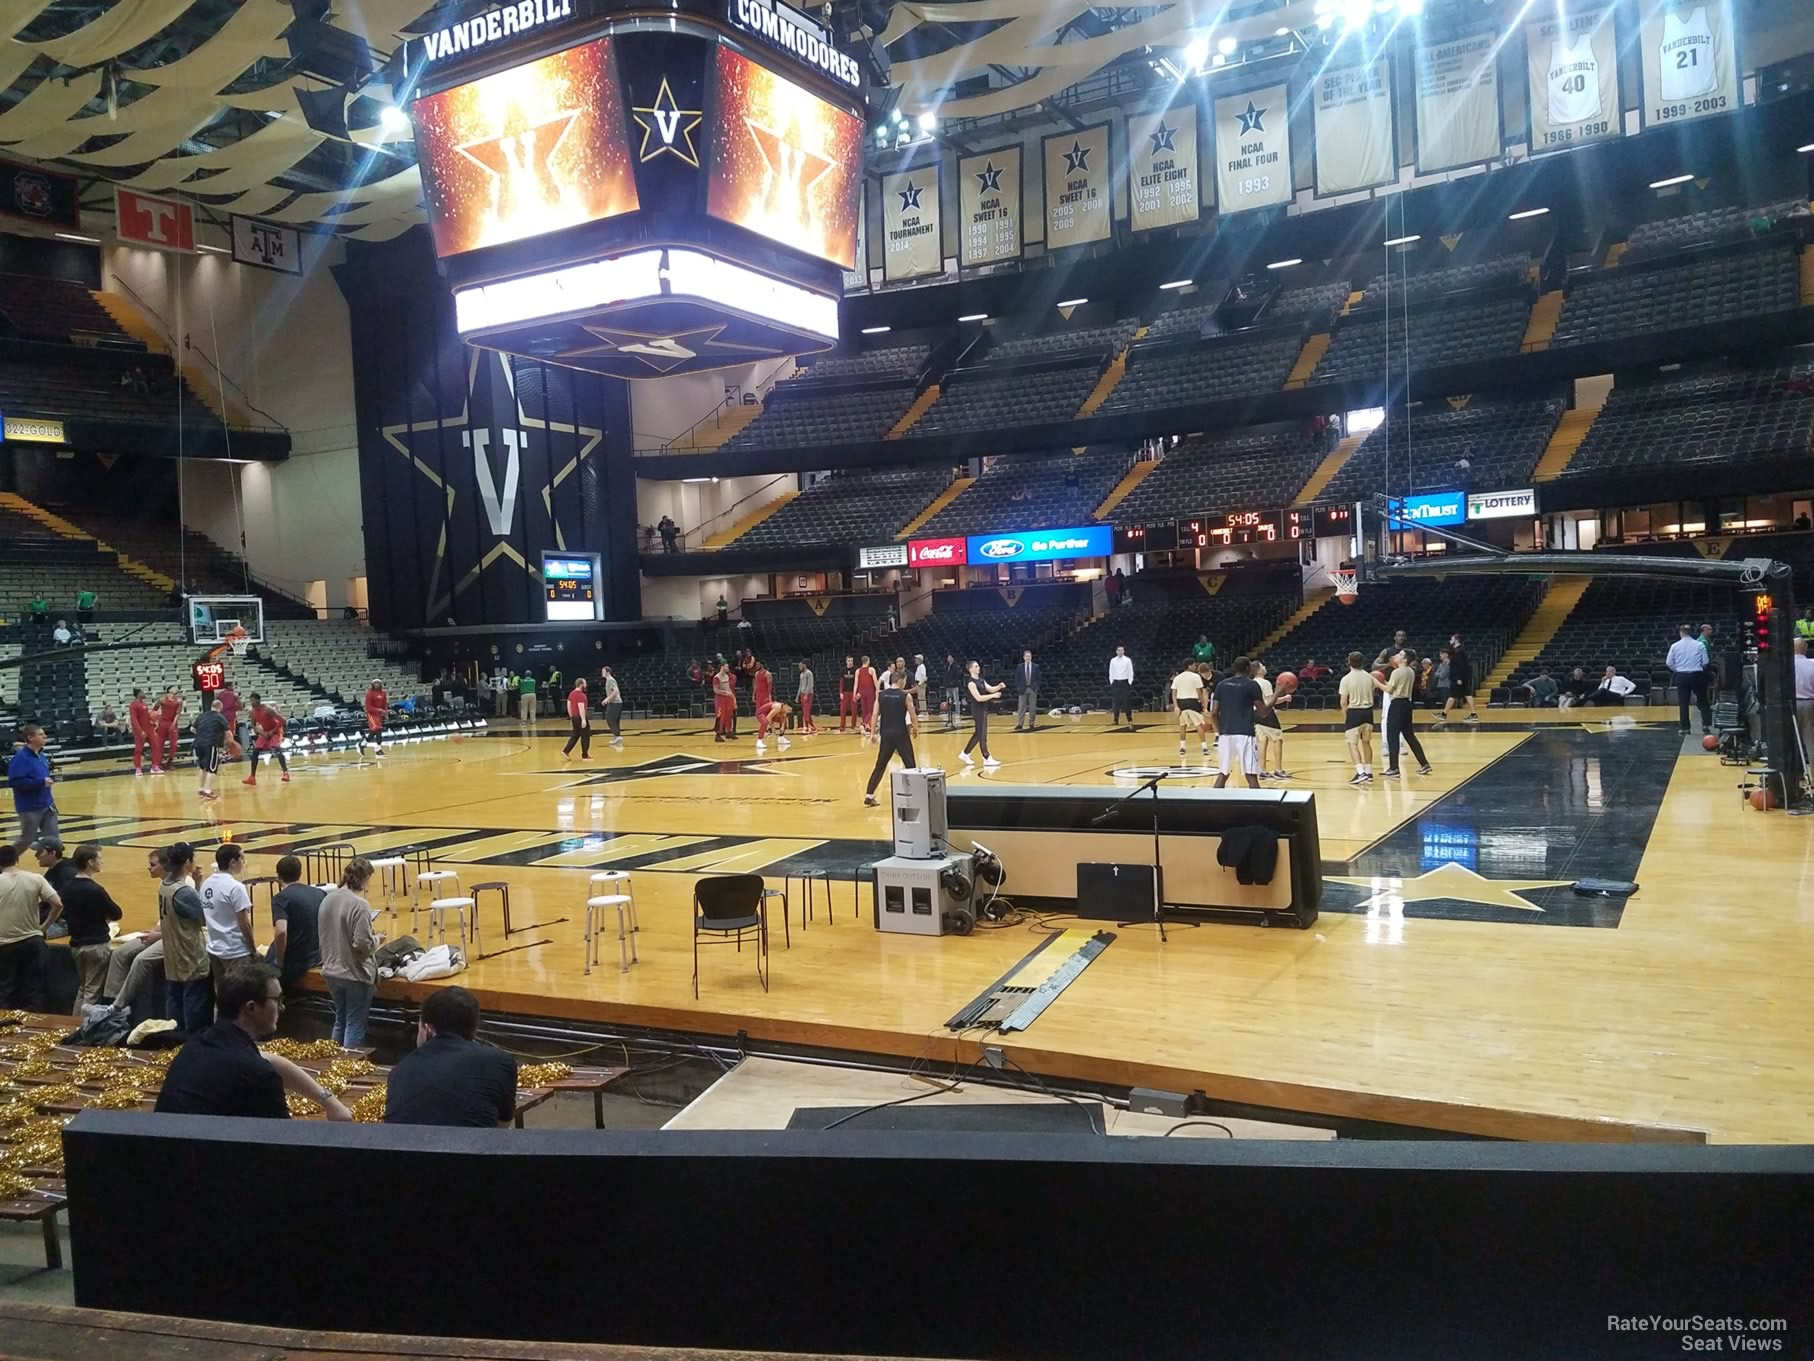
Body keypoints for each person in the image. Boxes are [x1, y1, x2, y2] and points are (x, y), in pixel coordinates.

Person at [154, 961, 352, 1121]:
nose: (282, 1008)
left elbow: (267, 1058)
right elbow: (286, 1147)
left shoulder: (197, 1044)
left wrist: (328, 1101)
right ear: (251, 1008)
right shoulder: (257, 1074)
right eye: (277, 1000)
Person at [385, 986, 517, 1127]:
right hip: (471, 1148)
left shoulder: (399, 1072)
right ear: (475, 1028)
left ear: (428, 1029)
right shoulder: (500, 1062)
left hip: (405, 1148)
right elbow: (503, 1127)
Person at [319, 857, 379, 1049]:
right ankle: (347, 1070)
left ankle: (332, 1065)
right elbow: (362, 944)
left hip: (330, 970)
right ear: (363, 878)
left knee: (340, 1020)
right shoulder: (360, 905)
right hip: (354, 973)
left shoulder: (327, 899)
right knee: (354, 1024)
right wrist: (377, 940)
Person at [102, 848, 166, 1013]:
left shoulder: (183, 886)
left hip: (172, 937)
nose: (149, 868)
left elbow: (185, 924)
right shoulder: (163, 884)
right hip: (161, 931)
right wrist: (156, 930)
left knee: (141, 960)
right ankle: (108, 1002)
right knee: (119, 953)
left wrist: (158, 934)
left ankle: (118, 1007)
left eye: (153, 865)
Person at [61, 844, 122, 1013]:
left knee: (83, 989)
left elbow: (62, 912)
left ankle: (72, 1024)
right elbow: (116, 913)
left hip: (76, 944)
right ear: (90, 862)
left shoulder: (67, 888)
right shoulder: (96, 890)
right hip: (96, 944)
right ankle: (83, 1029)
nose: (102, 862)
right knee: (92, 992)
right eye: (99, 859)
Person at [158, 843, 211, 1032]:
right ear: (187, 862)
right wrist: (198, 887)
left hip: (172, 952)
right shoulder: (184, 892)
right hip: (190, 954)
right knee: (194, 1004)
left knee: (174, 1000)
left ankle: (174, 1041)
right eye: (194, 858)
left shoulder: (164, 884)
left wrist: (196, 883)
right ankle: (192, 1042)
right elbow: (204, 918)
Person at [0, 843, 60, 1009]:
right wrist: (45, 926)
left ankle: (4, 1030)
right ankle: (35, 1028)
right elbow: (57, 904)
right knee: (35, 991)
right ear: (17, 859)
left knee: (5, 991)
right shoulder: (35, 878)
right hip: (33, 942)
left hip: (5, 945)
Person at [201, 843, 256, 1003]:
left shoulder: (206, 884)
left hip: (214, 949)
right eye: (242, 859)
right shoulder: (236, 887)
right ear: (233, 862)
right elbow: (244, 923)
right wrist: (252, 949)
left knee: (222, 996)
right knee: (241, 998)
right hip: (235, 951)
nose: (243, 863)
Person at [1209, 657, 1272, 790]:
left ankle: (1212, 806)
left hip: (1225, 734)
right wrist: (1278, 692)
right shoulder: (1251, 685)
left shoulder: (1221, 685)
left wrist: (1219, 731)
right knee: (1251, 776)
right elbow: (1263, 712)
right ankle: (1259, 809)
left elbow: (1213, 713)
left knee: (1223, 774)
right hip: (1245, 734)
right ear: (1248, 669)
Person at [267, 854, 323, 995]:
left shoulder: (281, 898)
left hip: (297, 960)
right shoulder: (319, 893)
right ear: (300, 873)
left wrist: (279, 962)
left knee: (261, 975)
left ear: (279, 877)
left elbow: (281, 931)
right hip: (317, 955)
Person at [862, 673, 917, 805]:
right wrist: (915, 727)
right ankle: (915, 794)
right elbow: (912, 714)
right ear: (900, 680)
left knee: (880, 765)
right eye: (904, 681)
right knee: (910, 764)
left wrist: (872, 735)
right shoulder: (905, 696)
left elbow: (875, 714)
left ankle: (869, 795)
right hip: (901, 734)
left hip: (886, 734)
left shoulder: (881, 695)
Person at [1379, 650, 1433, 778]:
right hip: (1407, 704)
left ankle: (1393, 768)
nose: (1396, 656)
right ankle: (1424, 763)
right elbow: (1397, 686)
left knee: (1392, 736)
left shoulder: (1396, 672)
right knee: (1409, 736)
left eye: (1400, 655)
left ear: (1405, 659)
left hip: (1397, 704)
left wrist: (1376, 682)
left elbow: (1389, 690)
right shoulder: (1410, 671)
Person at [9, 725, 57, 851]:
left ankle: (56, 868)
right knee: (26, 840)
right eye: (41, 734)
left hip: (47, 804)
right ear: (30, 738)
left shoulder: (42, 756)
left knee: (53, 840)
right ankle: (4, 861)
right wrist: (40, 782)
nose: (45, 736)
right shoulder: (20, 758)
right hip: (30, 807)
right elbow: (16, 782)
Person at [1664, 624, 1711, 734]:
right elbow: (1705, 661)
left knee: (1683, 702)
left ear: (1680, 632)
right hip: (1697, 674)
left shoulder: (1675, 646)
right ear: (1691, 632)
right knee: (1703, 699)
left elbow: (1669, 663)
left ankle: (1685, 727)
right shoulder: (1699, 645)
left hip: (1682, 675)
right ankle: (1706, 724)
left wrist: (1677, 669)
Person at [1339, 652, 1377, 785]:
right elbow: (1372, 694)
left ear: (1349, 662)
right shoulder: (1369, 677)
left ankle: (1360, 772)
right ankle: (1369, 772)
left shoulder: (1346, 679)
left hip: (1354, 712)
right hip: (1368, 712)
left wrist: (1346, 716)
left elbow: (1343, 702)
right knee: (1366, 742)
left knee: (1352, 743)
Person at [960, 661, 1004, 768]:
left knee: (978, 734)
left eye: (978, 666)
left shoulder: (981, 681)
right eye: (976, 666)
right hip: (977, 710)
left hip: (983, 709)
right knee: (982, 735)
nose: (978, 668)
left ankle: (965, 753)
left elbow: (990, 688)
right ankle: (986, 758)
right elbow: (979, 698)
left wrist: (999, 686)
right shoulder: (971, 683)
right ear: (971, 669)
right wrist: (993, 696)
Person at [1251, 661, 1289, 780]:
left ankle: (1262, 770)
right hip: (1266, 714)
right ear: (1258, 670)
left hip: (1255, 713)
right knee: (1278, 740)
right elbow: (1268, 701)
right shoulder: (1265, 683)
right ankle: (1278, 769)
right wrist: (1285, 698)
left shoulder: (1251, 683)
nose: (1265, 667)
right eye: (1263, 666)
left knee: (1262, 741)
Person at [243, 693, 291, 784]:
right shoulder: (252, 712)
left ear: (258, 700)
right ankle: (252, 777)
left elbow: (282, 720)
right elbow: (253, 725)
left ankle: (286, 773)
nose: (251, 702)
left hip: (276, 730)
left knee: (277, 748)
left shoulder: (268, 709)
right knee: (255, 750)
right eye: (250, 700)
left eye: (253, 700)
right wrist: (263, 733)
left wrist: (272, 731)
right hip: (265, 732)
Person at [1170, 658, 1209, 761]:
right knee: (1198, 725)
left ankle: (1182, 747)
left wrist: (1176, 706)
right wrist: (1203, 705)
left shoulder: (1177, 678)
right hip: (1193, 702)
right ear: (1189, 665)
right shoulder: (1196, 677)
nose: (1195, 667)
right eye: (1194, 665)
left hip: (1181, 702)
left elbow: (1173, 693)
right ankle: (1204, 747)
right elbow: (1199, 692)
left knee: (1182, 725)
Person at [192, 693, 229, 801]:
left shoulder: (202, 715)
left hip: (198, 743)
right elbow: (227, 732)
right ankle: (208, 791)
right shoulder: (219, 717)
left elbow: (192, 729)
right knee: (212, 768)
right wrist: (229, 744)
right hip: (210, 743)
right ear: (220, 708)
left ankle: (201, 789)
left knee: (202, 767)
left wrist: (201, 734)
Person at [1437, 635, 1479, 724]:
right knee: (1466, 694)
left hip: (1458, 678)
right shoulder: (1459, 651)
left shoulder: (1459, 652)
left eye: (1452, 639)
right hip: (1461, 678)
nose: (1450, 640)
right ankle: (1473, 713)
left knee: (1453, 695)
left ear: (1456, 640)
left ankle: (1444, 714)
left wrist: (1459, 678)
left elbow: (1461, 667)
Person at [1793, 638, 1814, 770]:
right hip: (1810, 704)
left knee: (1792, 744)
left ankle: (1794, 777)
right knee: (1811, 743)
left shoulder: (1786, 665)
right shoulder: (1812, 664)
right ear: (1805, 648)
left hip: (1790, 705)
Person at [561, 676, 591, 761]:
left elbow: (569, 705)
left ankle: (566, 751)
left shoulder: (571, 693)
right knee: (585, 735)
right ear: (581, 684)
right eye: (585, 683)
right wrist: (584, 719)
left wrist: (571, 716)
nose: (586, 685)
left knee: (575, 735)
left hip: (574, 717)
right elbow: (580, 707)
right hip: (580, 717)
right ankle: (585, 755)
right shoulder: (581, 695)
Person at [154, 685, 183, 773]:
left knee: (174, 744)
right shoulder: (162, 699)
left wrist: (173, 724)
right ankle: (159, 762)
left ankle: (170, 761)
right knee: (160, 743)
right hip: (162, 722)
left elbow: (178, 713)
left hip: (172, 722)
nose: (176, 689)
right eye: (174, 688)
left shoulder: (179, 701)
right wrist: (155, 721)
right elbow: (154, 710)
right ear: (169, 690)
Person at [129, 686, 157, 776]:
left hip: (149, 729)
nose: (144, 693)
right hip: (140, 731)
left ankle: (154, 767)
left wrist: (153, 722)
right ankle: (138, 769)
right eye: (143, 692)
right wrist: (140, 731)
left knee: (156, 746)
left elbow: (145, 718)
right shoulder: (133, 705)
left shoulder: (144, 704)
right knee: (138, 749)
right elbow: (134, 719)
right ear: (138, 694)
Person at [1012, 649, 1041, 732]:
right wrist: (1018, 687)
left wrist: (1036, 687)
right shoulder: (1019, 666)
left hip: (1032, 689)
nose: (1028, 658)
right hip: (1022, 689)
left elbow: (1039, 678)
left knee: (1032, 707)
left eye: (1030, 656)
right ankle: (1019, 724)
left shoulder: (1036, 666)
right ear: (1024, 657)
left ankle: (1031, 723)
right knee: (1021, 707)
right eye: (1027, 656)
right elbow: (1017, 678)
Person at [1108, 646, 1135, 727]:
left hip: (1125, 682)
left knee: (1126, 702)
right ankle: (1115, 720)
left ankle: (1129, 719)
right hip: (1116, 683)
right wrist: (1111, 682)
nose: (1120, 651)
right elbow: (1111, 672)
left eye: (1122, 650)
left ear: (1124, 651)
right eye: (1119, 650)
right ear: (1116, 651)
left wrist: (1129, 682)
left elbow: (1131, 672)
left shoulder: (1127, 660)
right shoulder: (1112, 660)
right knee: (1116, 702)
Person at [361, 679, 389, 756]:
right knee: (378, 729)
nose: (376, 684)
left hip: (379, 715)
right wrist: (379, 710)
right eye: (375, 683)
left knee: (373, 732)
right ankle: (378, 750)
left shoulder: (383, 693)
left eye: (378, 683)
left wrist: (386, 713)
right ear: (372, 685)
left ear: (380, 684)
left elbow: (385, 705)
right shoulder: (369, 694)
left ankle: (362, 744)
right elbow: (368, 708)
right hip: (371, 714)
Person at [710, 659, 736, 743]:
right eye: (726, 666)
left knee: (728, 715)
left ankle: (728, 732)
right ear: (722, 667)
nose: (728, 668)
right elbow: (716, 690)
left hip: (727, 698)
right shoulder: (716, 677)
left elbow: (728, 688)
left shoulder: (727, 676)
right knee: (720, 716)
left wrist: (732, 697)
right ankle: (718, 735)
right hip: (720, 699)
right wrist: (726, 693)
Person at [752, 660, 775, 751]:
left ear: (761, 664)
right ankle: (762, 729)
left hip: (765, 695)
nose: (756, 665)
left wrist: (768, 697)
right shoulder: (756, 674)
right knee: (759, 713)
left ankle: (769, 729)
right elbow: (756, 685)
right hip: (759, 695)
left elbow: (770, 687)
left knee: (766, 714)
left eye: (758, 664)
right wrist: (753, 695)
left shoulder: (768, 674)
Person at [600, 666, 624, 746]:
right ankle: (617, 737)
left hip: (615, 703)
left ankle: (617, 736)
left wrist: (607, 699)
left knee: (609, 719)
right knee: (615, 721)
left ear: (608, 672)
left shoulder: (610, 680)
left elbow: (616, 691)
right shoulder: (609, 680)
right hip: (615, 702)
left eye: (603, 671)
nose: (602, 673)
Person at [855, 655, 878, 737]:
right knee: (871, 710)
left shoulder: (858, 670)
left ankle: (867, 726)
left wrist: (855, 693)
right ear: (868, 661)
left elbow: (856, 683)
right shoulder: (871, 669)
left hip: (861, 691)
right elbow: (875, 681)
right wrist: (877, 690)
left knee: (864, 709)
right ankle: (864, 723)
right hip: (870, 691)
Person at [217, 681, 241, 756]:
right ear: (229, 686)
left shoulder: (219, 695)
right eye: (232, 686)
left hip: (221, 717)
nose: (233, 688)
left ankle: (225, 750)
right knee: (230, 735)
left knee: (224, 735)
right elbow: (241, 706)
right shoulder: (234, 695)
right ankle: (227, 751)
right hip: (231, 717)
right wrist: (234, 709)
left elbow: (216, 706)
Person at [795, 660, 815, 734]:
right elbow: (800, 686)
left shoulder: (809, 673)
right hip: (802, 693)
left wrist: (806, 694)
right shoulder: (801, 674)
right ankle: (811, 725)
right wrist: (797, 696)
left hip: (809, 694)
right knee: (805, 711)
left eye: (800, 665)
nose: (799, 667)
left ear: (804, 665)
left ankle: (806, 726)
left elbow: (810, 685)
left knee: (807, 710)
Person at [943, 653, 962, 730]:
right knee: (949, 699)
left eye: (950, 657)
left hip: (954, 685)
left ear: (953, 658)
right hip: (948, 686)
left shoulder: (955, 666)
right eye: (948, 657)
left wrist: (952, 682)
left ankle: (957, 711)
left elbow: (957, 676)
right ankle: (949, 711)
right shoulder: (947, 666)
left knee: (956, 699)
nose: (948, 658)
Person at [838, 655, 858, 732]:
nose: (850, 662)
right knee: (843, 710)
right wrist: (840, 692)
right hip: (845, 693)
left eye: (851, 661)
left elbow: (858, 682)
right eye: (849, 661)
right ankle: (842, 726)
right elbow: (841, 683)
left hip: (853, 693)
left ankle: (853, 726)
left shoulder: (856, 670)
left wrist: (857, 693)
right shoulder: (843, 670)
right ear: (846, 661)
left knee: (854, 710)